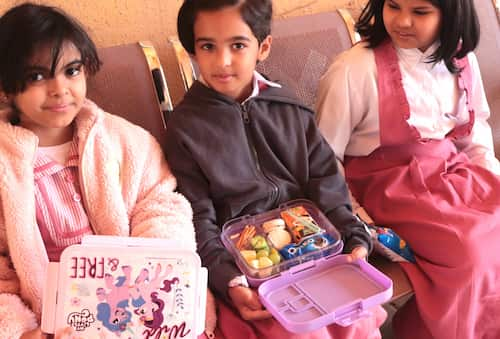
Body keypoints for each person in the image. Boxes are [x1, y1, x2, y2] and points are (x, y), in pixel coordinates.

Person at [165, 1, 387, 338]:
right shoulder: (185, 129)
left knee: (355, 318)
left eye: (238, 45)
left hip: (314, 249)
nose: (222, 61)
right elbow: (197, 215)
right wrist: (230, 280)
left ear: (263, 47)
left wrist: (353, 236)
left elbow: (326, 182)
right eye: (208, 46)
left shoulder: (291, 109)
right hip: (245, 266)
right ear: (193, 51)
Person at [0, 3, 197, 338]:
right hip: (49, 321)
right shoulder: (7, 168)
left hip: (137, 305)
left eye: (72, 71)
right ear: (5, 88)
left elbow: (162, 207)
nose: (60, 88)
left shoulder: (126, 142)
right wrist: (21, 331)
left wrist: (150, 280)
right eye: (36, 76)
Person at [316, 0, 500, 338]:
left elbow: (474, 135)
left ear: (450, 13)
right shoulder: (354, 69)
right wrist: (353, 214)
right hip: (388, 186)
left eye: (420, 12)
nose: (402, 21)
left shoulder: (461, 60)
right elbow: (325, 155)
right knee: (468, 251)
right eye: (394, 5)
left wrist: (491, 177)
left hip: (448, 173)